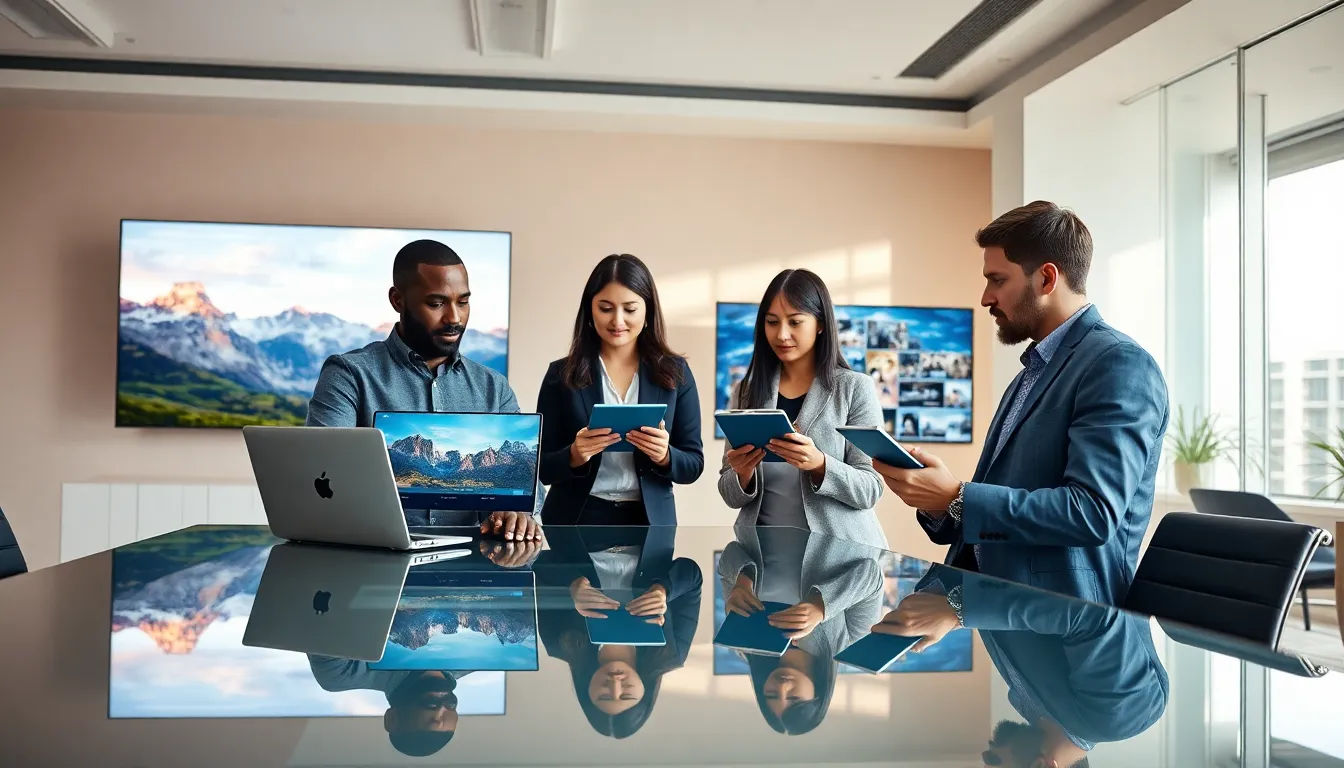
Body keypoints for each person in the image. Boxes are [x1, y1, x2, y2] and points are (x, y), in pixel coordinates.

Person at [873, 202, 1169, 604]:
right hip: (1000, 615)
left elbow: (1091, 513)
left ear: (1047, 278)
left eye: (997, 280)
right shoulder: (1031, 372)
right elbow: (1000, 507)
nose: (985, 297)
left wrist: (956, 496)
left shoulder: (1119, 365)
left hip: (1073, 632)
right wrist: (941, 505)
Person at [304, 239, 541, 540]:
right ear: (398, 300)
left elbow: (532, 489)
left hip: (474, 565)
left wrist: (519, 513)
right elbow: (321, 475)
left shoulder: (493, 386)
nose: (454, 318)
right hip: (374, 561)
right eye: (437, 303)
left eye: (463, 302)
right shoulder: (349, 374)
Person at [871, 564, 1168, 767]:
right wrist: (960, 609)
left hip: (1010, 514)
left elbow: (986, 582)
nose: (986, 752)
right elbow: (1089, 610)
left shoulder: (1028, 706)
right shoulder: (1117, 717)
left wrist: (935, 598)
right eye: (994, 762)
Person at [716, 269, 887, 546]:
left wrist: (819, 464)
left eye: (795, 322)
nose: (782, 334)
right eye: (772, 322)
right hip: (761, 558)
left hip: (838, 561)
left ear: (819, 323)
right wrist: (742, 473)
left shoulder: (855, 388)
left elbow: (871, 488)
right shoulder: (746, 391)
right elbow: (729, 493)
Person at [536, 254, 703, 525]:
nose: (617, 320)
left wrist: (665, 455)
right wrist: (575, 454)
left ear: (647, 311)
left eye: (630, 308)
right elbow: (539, 468)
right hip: (574, 520)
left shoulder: (676, 373)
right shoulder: (560, 375)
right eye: (605, 308)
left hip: (650, 522)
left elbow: (694, 465)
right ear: (589, 311)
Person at [535, 526, 702, 738]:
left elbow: (539, 564)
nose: (615, 684)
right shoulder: (671, 654)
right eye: (627, 695)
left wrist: (571, 584)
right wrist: (663, 591)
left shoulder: (558, 643)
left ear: (587, 691)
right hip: (647, 529)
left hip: (581, 530)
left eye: (604, 696)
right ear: (645, 693)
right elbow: (692, 576)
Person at [717, 525, 885, 735]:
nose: (782, 688)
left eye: (770, 695)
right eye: (794, 698)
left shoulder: (744, 647)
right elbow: (871, 575)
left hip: (770, 521)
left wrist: (741, 581)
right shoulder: (851, 646)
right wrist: (821, 607)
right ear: (818, 695)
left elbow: (729, 556)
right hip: (839, 524)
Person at [307, 660, 466, 758]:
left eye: (430, 708)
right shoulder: (477, 657)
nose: (440, 710)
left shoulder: (343, 672)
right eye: (451, 707)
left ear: (393, 718)